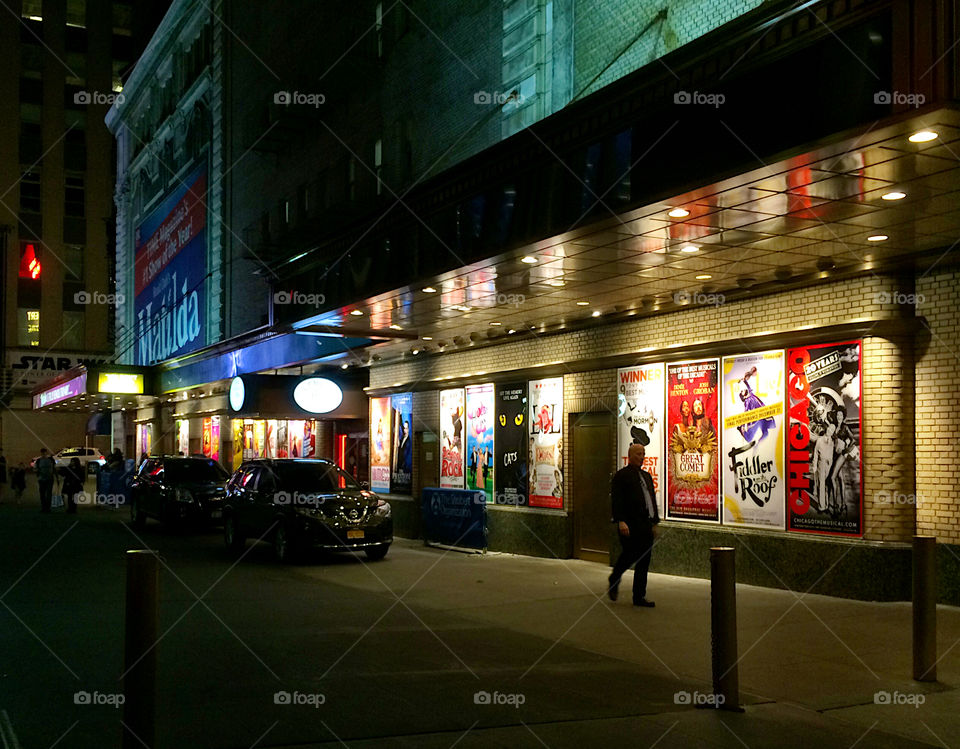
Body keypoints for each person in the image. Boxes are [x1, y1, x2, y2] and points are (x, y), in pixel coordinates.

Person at [607, 443, 660, 607]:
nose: (641, 457)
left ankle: (639, 596)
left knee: (644, 560)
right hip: (630, 524)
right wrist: (620, 520)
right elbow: (617, 500)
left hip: (645, 523)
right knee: (629, 555)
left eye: (643, 453)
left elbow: (651, 500)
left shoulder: (646, 476)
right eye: (638, 454)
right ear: (630, 456)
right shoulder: (622, 476)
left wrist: (654, 521)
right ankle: (614, 578)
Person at [35, 448, 56, 513]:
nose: (44, 454)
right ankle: (44, 507)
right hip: (43, 479)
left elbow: (54, 467)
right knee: (43, 494)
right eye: (43, 453)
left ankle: (47, 508)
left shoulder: (50, 459)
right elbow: (36, 469)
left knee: (48, 494)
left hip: (48, 478)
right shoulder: (39, 460)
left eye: (44, 453)